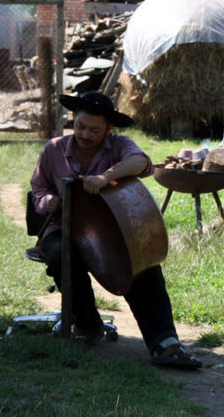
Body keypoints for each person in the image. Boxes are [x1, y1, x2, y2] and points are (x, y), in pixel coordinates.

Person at [30, 91, 201, 369]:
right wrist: (51, 202)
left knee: (142, 263)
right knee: (60, 253)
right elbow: (38, 189)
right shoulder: (54, 149)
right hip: (64, 227)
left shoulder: (119, 145)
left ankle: (164, 344)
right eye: (81, 126)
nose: (85, 134)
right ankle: (88, 325)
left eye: (94, 130)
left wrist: (106, 176)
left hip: (112, 228)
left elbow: (142, 164)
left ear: (109, 129)